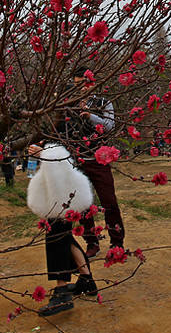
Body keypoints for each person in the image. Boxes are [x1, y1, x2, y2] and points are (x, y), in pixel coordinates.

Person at [55, 65, 123, 258]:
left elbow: (110, 126)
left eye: (84, 83)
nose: (81, 88)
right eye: (76, 84)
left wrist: (90, 115)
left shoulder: (103, 102)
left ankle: (116, 241)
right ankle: (91, 242)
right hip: (78, 161)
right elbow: (61, 129)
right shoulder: (69, 104)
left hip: (99, 159)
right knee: (82, 205)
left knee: (109, 202)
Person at [26, 142, 98, 316]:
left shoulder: (60, 121)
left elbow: (67, 149)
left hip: (63, 189)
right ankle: (86, 280)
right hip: (59, 187)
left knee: (56, 237)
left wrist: (45, 153)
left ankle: (62, 291)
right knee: (62, 235)